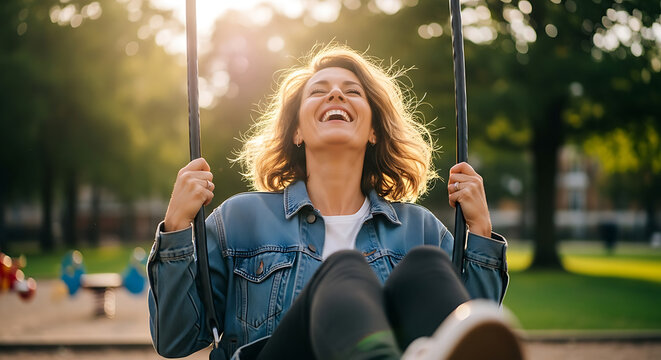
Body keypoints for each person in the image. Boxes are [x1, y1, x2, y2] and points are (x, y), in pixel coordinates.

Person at [148, 45, 521, 360]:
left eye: (352, 91)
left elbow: (467, 338)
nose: (336, 95)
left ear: (373, 130)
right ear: (296, 131)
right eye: (318, 91)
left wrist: (480, 232)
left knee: (426, 265)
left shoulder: (420, 230)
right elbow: (175, 338)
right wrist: (178, 227)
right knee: (345, 271)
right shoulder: (240, 220)